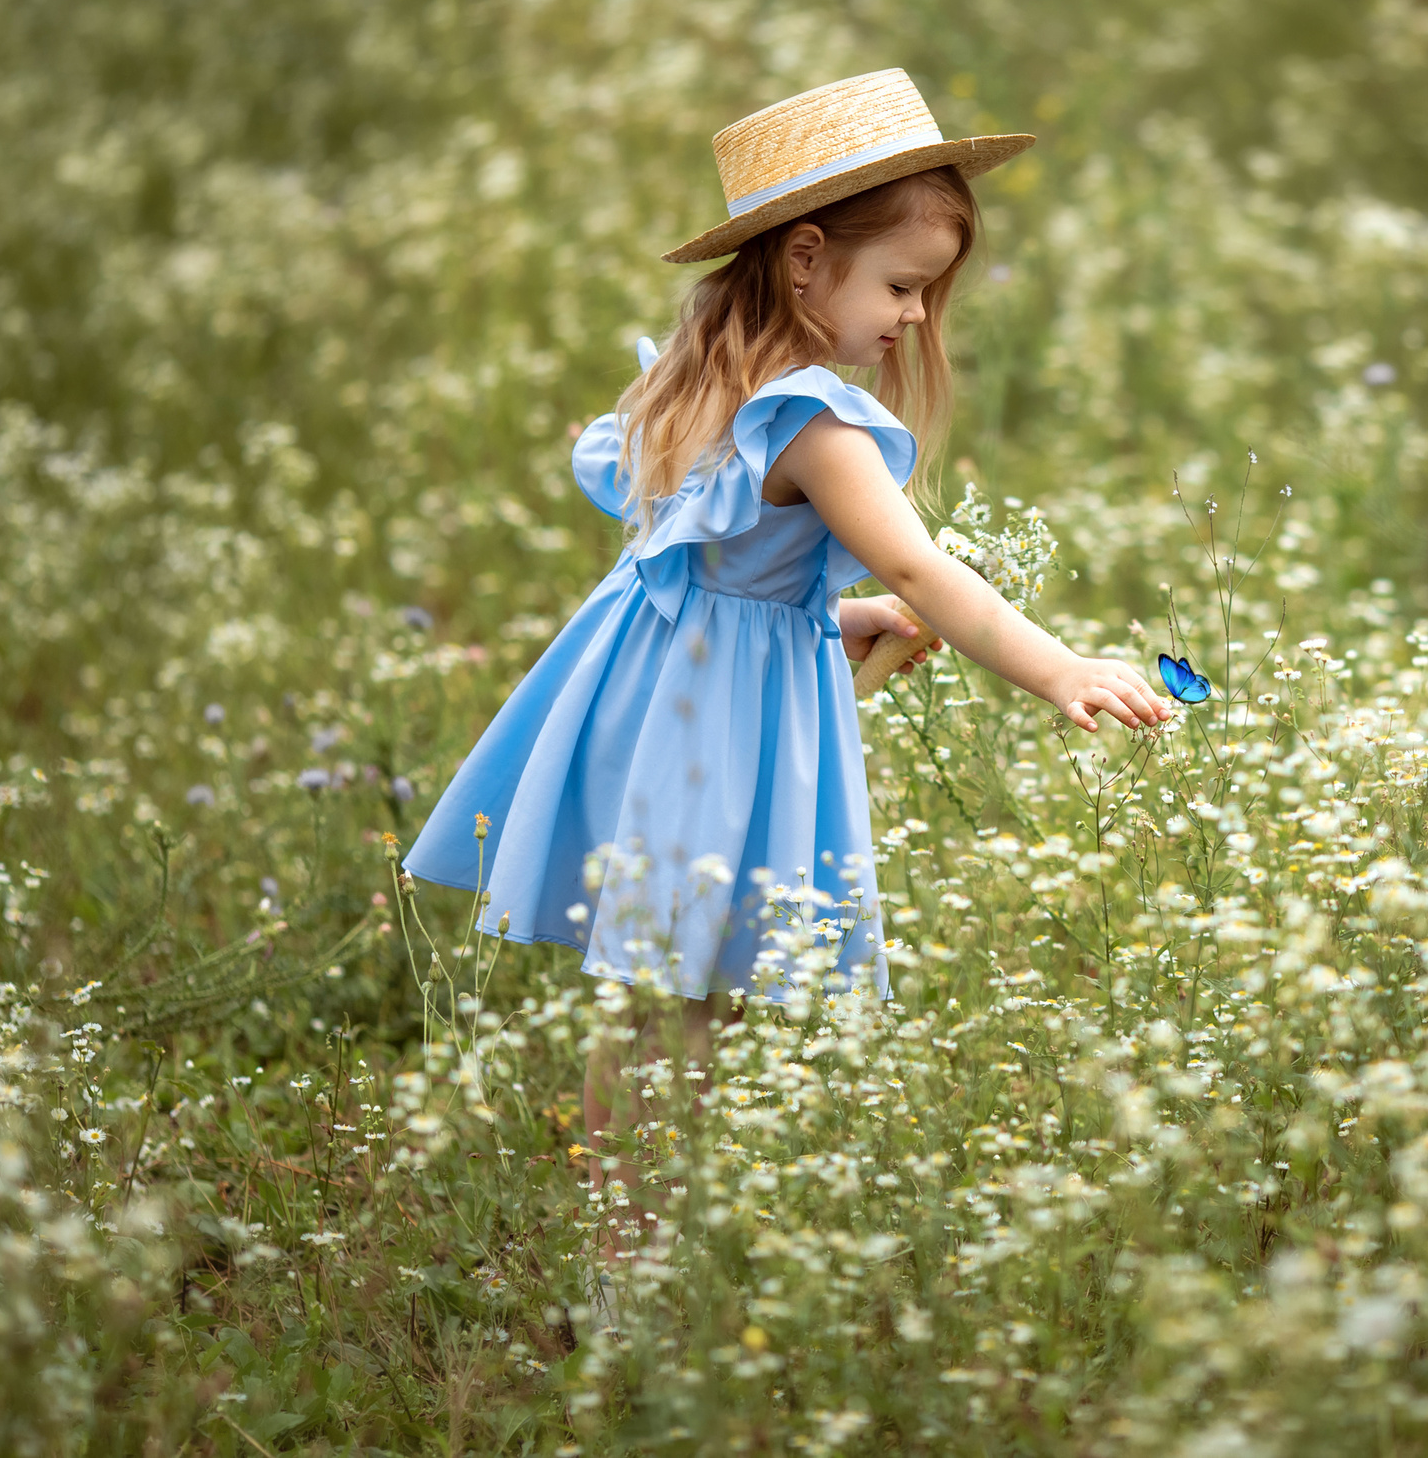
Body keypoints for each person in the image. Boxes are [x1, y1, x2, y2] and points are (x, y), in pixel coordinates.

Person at [400, 69, 1169, 1272]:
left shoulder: (700, 381)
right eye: (903, 286)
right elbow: (925, 571)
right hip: (717, 731)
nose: (916, 318)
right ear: (805, 259)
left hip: (659, 705)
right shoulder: (816, 421)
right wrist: (1058, 665)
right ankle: (633, 1272)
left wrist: (834, 617)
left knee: (662, 1001)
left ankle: (634, 1247)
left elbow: (713, 564)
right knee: (688, 1007)